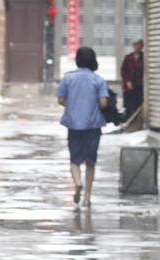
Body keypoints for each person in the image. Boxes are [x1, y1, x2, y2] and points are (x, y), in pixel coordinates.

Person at [57, 47, 109, 209]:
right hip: (93, 125)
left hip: (73, 124)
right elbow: (103, 103)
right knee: (90, 162)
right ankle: (87, 196)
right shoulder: (98, 80)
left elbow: (60, 100)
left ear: (78, 60)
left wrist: (72, 106)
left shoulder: (68, 79)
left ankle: (77, 183)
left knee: (74, 160)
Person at [120, 39, 144, 122]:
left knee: (138, 104)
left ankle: (137, 121)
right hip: (129, 86)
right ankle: (127, 121)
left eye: (139, 45)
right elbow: (123, 71)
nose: (137, 47)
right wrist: (127, 81)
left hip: (140, 85)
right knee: (128, 105)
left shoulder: (144, 57)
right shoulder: (128, 57)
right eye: (136, 45)